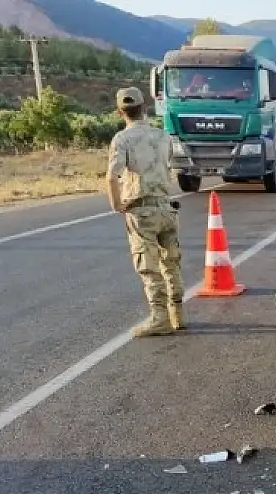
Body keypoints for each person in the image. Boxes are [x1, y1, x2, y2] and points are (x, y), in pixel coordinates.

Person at [106, 86, 186, 338]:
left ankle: (159, 318)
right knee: (171, 263)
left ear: (121, 112)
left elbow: (112, 175)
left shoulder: (122, 139)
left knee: (149, 267)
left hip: (142, 211)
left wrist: (117, 204)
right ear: (145, 108)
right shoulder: (163, 136)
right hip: (166, 205)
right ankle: (178, 314)